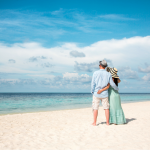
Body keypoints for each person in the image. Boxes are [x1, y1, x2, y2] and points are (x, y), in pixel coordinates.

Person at [91, 60, 119, 126]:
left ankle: (94, 123)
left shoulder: (95, 73)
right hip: (105, 94)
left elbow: (93, 83)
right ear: (105, 66)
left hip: (96, 93)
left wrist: (92, 91)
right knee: (106, 108)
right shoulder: (108, 74)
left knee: (95, 108)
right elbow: (112, 84)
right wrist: (116, 88)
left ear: (100, 65)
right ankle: (107, 123)